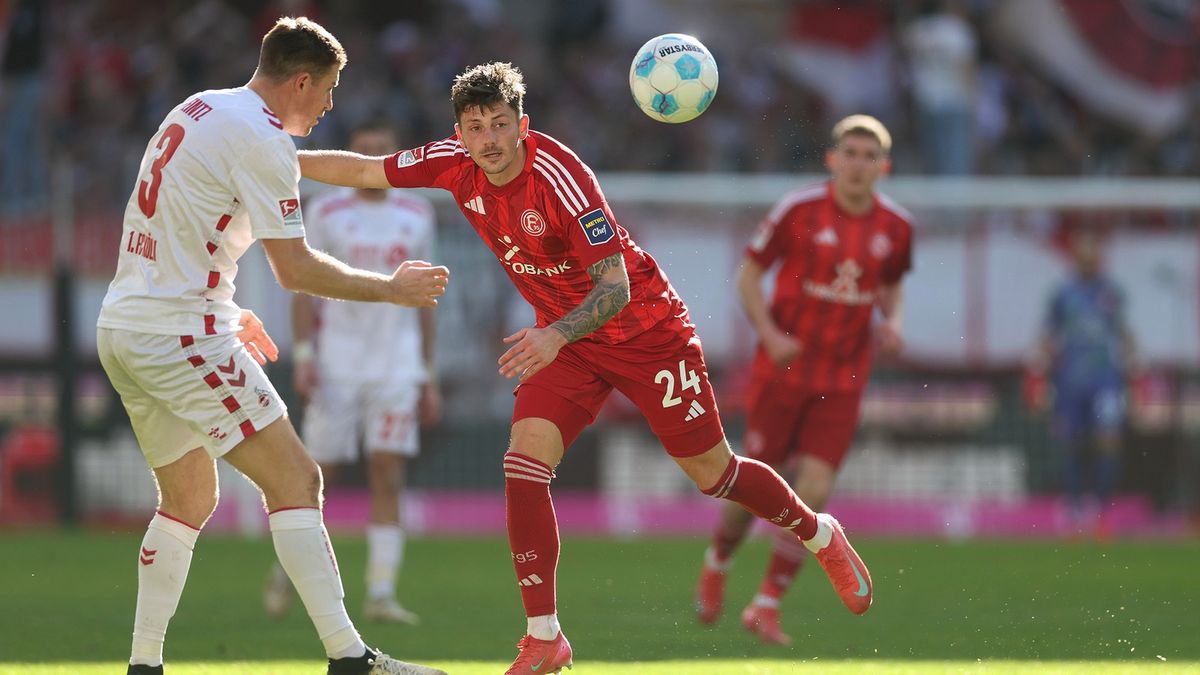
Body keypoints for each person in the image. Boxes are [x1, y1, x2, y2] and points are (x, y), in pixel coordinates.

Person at [299, 62, 874, 674]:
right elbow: (361, 169)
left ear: (523, 125)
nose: (488, 139)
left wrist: (553, 334)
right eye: (475, 127)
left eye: (500, 124)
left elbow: (616, 286)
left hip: (644, 333)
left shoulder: (561, 177)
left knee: (713, 474)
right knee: (523, 466)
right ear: (459, 134)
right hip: (567, 343)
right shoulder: (452, 161)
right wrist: (277, 156)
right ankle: (544, 636)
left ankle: (818, 534)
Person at [95, 17, 448, 675]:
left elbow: (191, 220)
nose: (331, 105)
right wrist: (394, 291)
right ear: (303, 80)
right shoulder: (259, 136)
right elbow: (298, 270)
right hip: (181, 335)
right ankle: (351, 657)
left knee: (190, 500)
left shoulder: (203, 108)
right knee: (298, 478)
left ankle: (144, 663)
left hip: (127, 327)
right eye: (329, 90)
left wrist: (227, 309)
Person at [695, 114, 913, 645]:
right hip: (783, 370)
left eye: (870, 157)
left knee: (814, 488)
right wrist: (768, 334)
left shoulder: (897, 229)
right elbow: (748, 275)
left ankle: (766, 604)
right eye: (851, 155)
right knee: (756, 487)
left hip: (843, 376)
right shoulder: (799, 210)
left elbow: (888, 285)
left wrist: (894, 322)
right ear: (833, 160)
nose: (859, 166)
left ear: (882, 167)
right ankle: (718, 560)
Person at [263, 121, 441, 624]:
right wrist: (302, 357)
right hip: (337, 362)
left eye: (380, 151)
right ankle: (285, 571)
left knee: (389, 472)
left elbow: (427, 300)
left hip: (396, 365)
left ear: (393, 155)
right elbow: (303, 287)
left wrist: (427, 374)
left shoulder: (416, 213)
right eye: (362, 151)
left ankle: (381, 594)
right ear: (351, 155)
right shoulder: (325, 212)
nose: (370, 160)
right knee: (317, 476)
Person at [1028, 227, 1134, 539]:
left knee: (1108, 441)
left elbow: (1123, 334)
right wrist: (1038, 373)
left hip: (1106, 381)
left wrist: (1136, 370)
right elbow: (1048, 336)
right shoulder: (1062, 294)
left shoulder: (1112, 292)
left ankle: (1100, 512)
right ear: (1074, 258)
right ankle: (1074, 512)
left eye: (1093, 255)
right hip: (1070, 380)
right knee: (1070, 444)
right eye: (1082, 255)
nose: (1088, 261)